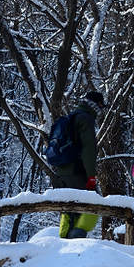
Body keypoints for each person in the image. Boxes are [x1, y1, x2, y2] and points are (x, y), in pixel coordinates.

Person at [56, 90, 105, 239]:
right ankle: (76, 241)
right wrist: (91, 176)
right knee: (92, 204)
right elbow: (89, 150)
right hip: (78, 171)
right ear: (97, 104)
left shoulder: (71, 117)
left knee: (69, 207)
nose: (102, 110)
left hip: (63, 170)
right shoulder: (86, 119)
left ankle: (63, 240)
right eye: (101, 106)